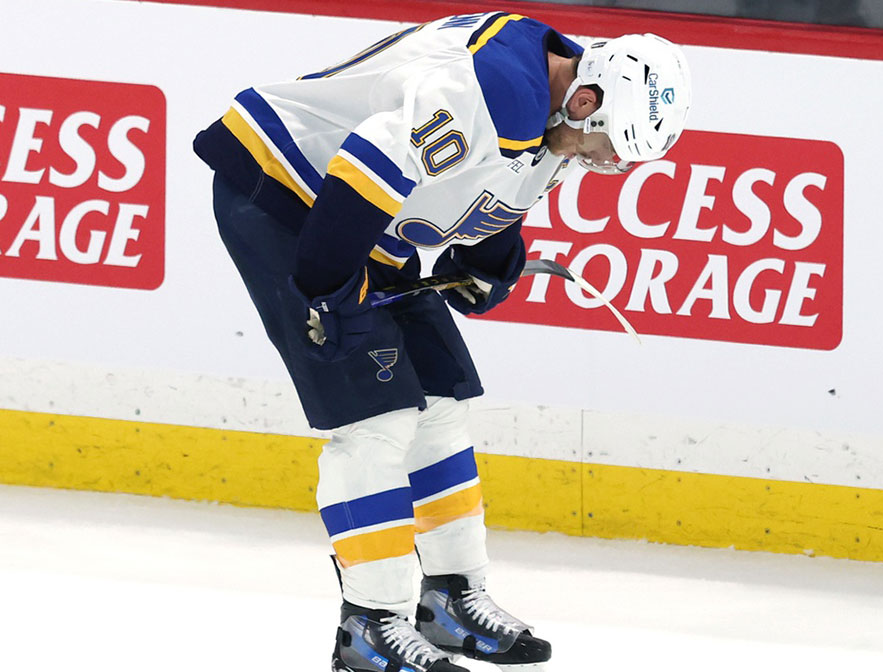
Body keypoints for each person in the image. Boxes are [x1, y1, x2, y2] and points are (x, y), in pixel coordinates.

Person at [194, 11, 691, 672]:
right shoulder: (487, 91)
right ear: (585, 99)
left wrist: (490, 266)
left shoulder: (559, 108)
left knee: (441, 400)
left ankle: (451, 598)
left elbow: (497, 191)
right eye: (605, 147)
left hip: (363, 216)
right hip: (288, 197)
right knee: (376, 420)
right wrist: (326, 290)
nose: (605, 164)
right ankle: (370, 628)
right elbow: (367, 163)